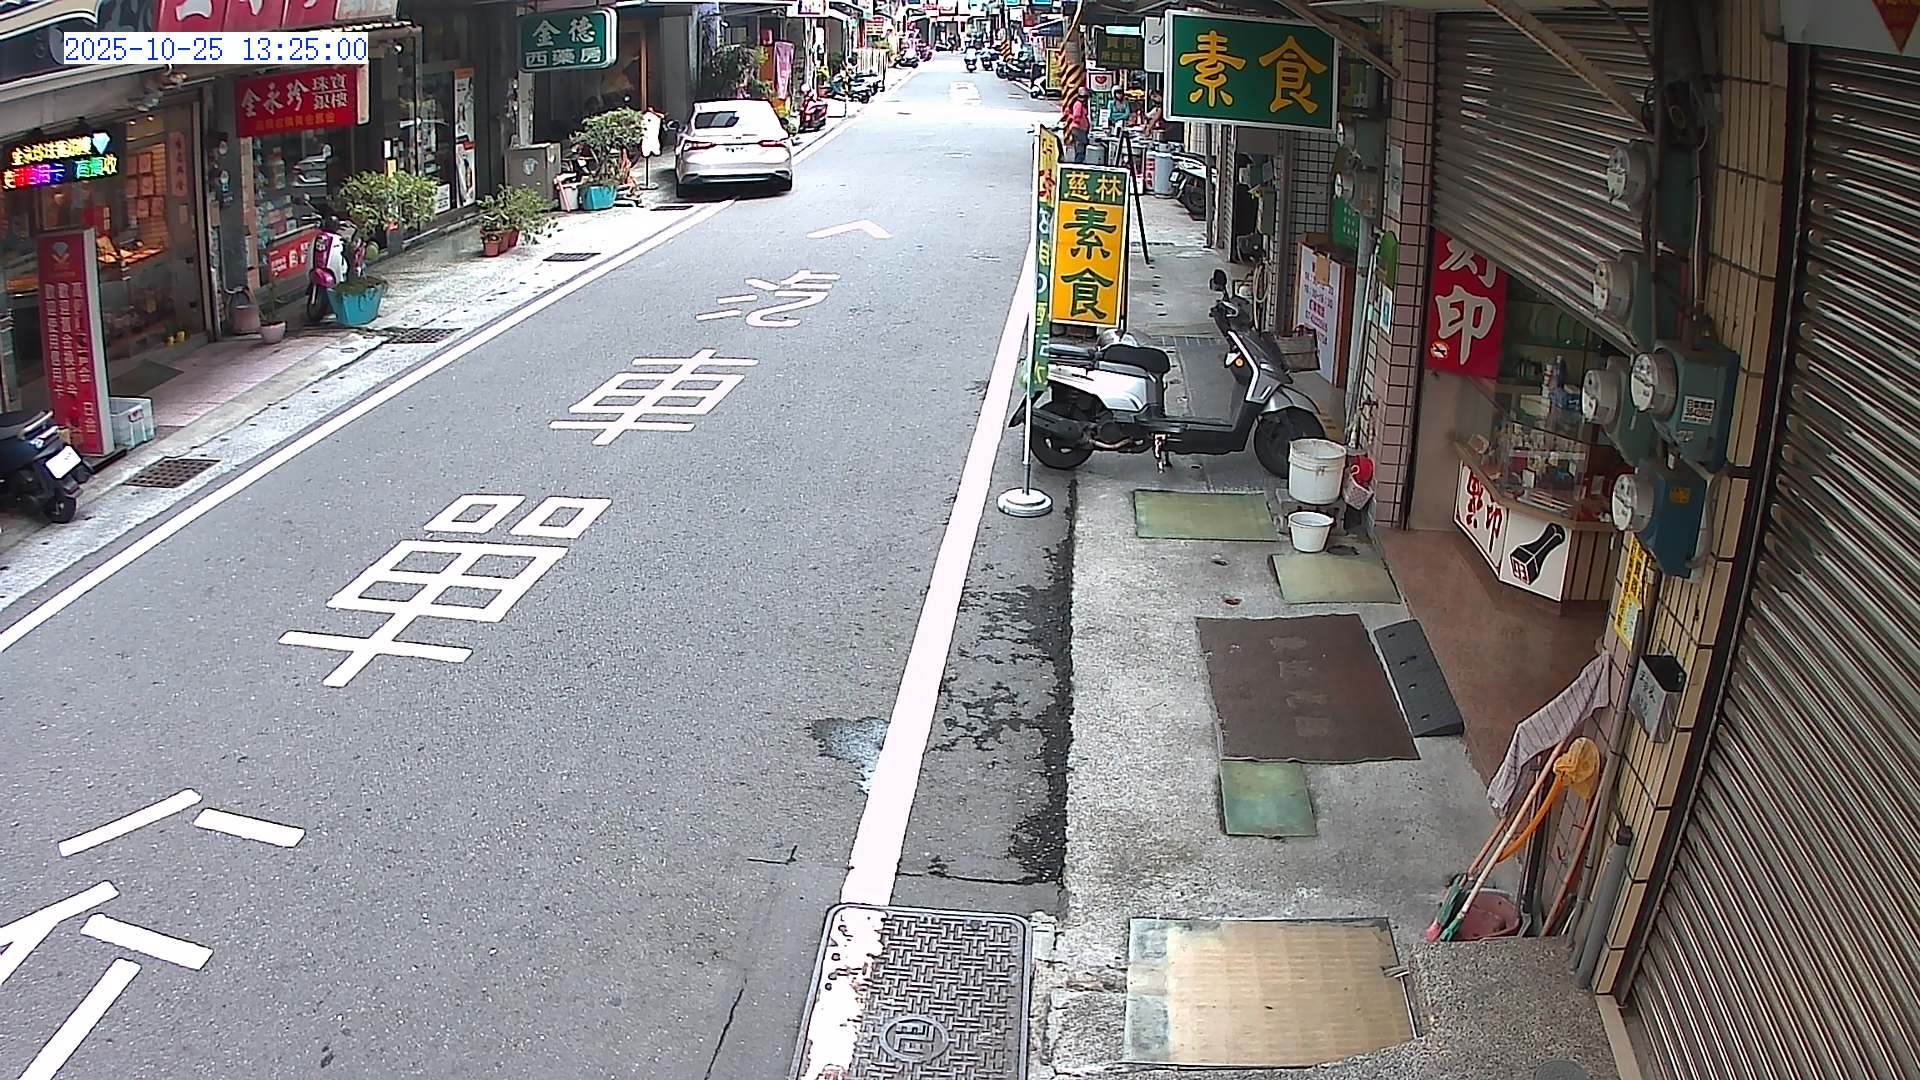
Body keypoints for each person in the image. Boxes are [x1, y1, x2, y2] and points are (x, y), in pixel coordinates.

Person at [1064, 93, 1090, 163]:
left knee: (1080, 146)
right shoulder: (1078, 104)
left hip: (1081, 128)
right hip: (1079, 128)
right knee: (1081, 147)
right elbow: (1076, 116)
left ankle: (1079, 161)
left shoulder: (1080, 104)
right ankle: (1078, 162)